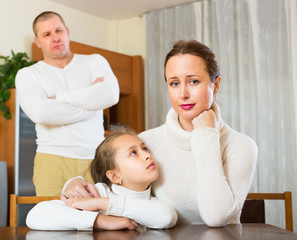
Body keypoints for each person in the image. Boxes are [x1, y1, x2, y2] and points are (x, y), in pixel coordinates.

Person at [62, 40, 258, 227]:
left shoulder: (241, 146)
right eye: (174, 83)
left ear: (215, 85)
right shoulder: (147, 142)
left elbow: (217, 217)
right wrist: (73, 184)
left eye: (194, 81)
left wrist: (206, 135)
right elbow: (114, 188)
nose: (183, 94)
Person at [15, 11, 119, 196]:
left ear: (67, 32)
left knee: (101, 222)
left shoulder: (94, 62)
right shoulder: (28, 75)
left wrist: (60, 98)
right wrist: (92, 103)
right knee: (52, 223)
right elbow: (41, 114)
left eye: (58, 30)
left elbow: (111, 95)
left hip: (95, 157)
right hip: (51, 159)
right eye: (47, 34)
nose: (55, 38)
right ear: (37, 41)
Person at [26, 131, 177, 231]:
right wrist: (99, 220)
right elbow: (35, 215)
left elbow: (167, 218)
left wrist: (101, 204)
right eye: (133, 153)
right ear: (115, 176)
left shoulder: (152, 202)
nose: (147, 155)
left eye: (145, 148)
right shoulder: (98, 193)